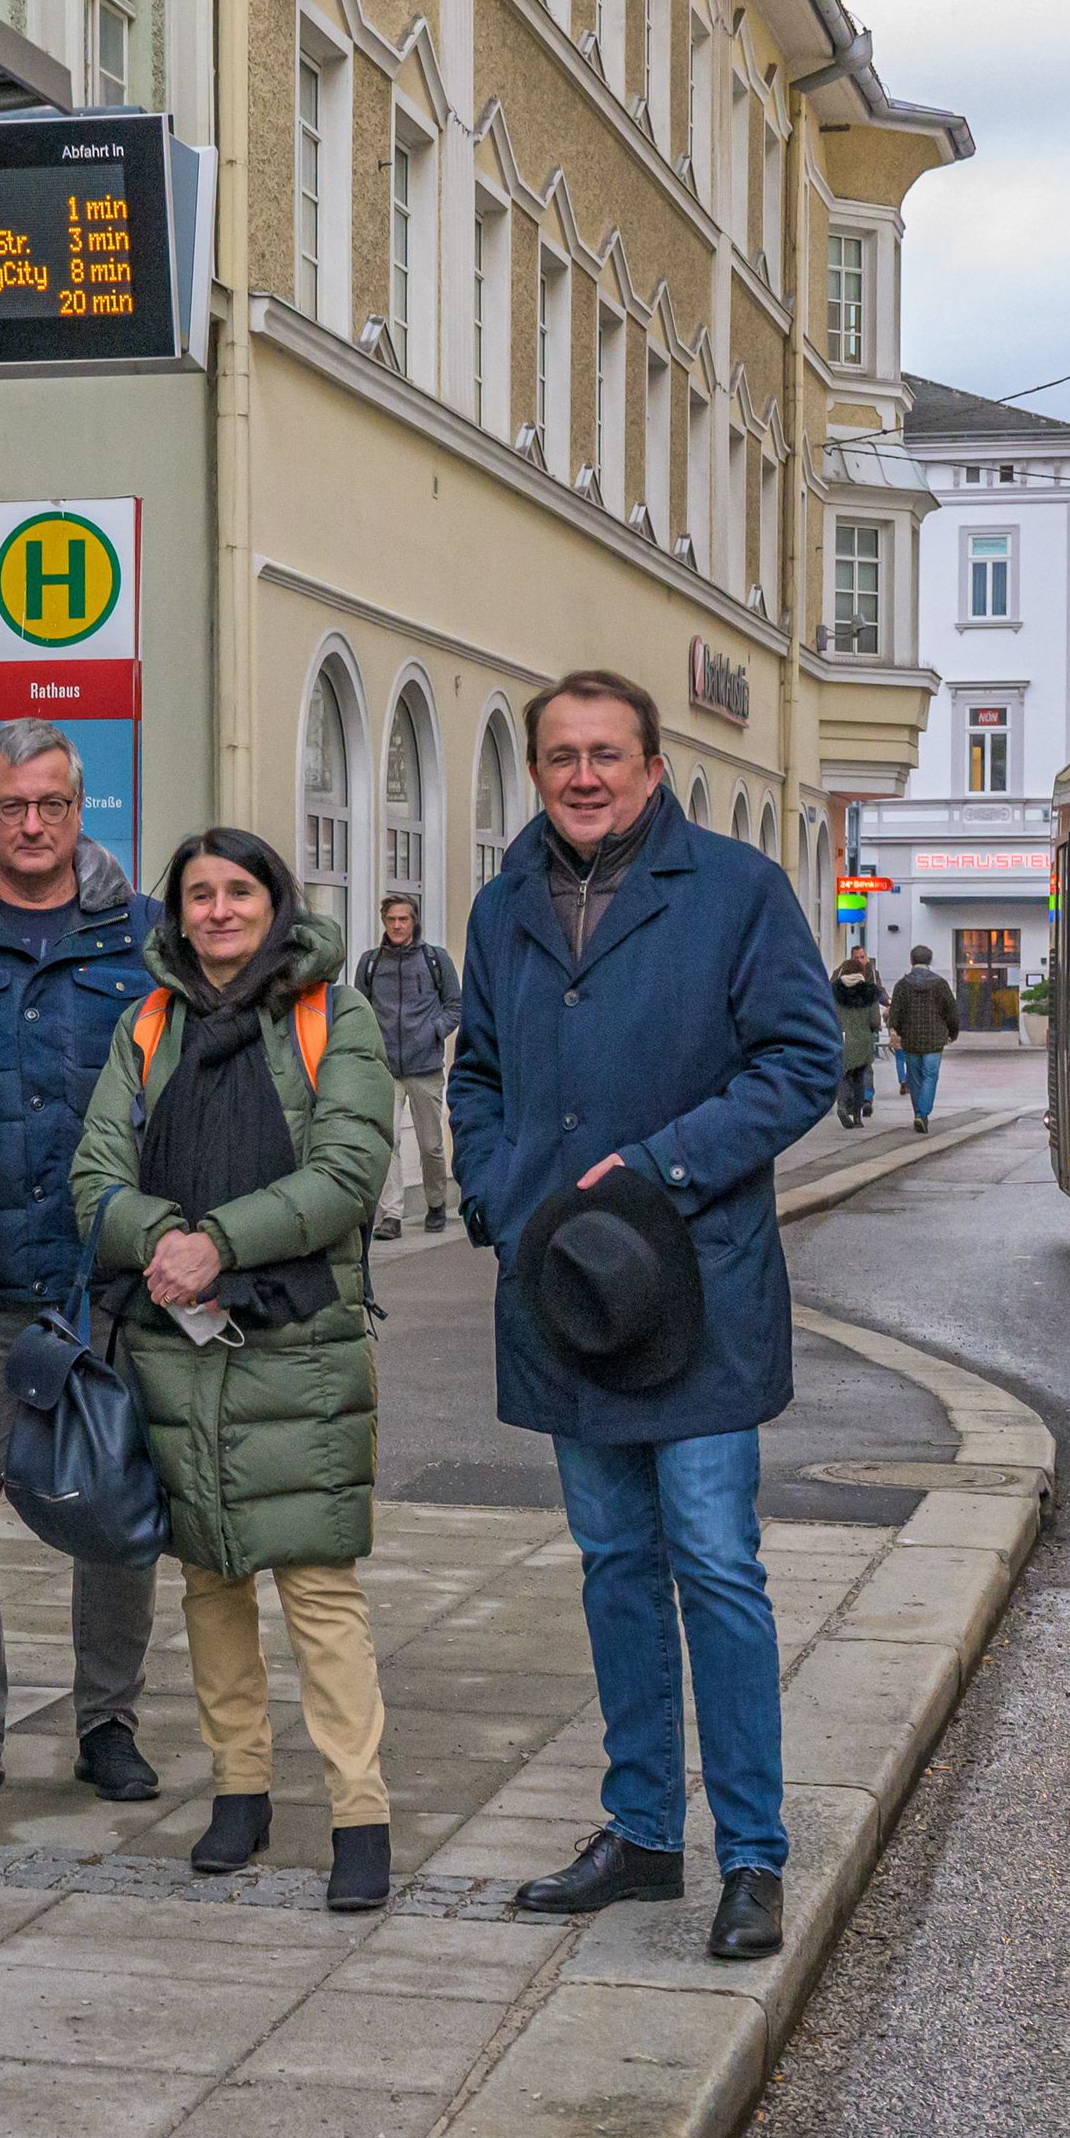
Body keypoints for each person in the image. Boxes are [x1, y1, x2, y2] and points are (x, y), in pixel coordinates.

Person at [450, 668, 839, 1963]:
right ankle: (641, 1834)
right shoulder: (505, 905)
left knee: (716, 1565)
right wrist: (498, 1193)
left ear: (653, 766)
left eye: (607, 751)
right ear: (537, 768)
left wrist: (661, 1171)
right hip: (563, 1293)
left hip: (695, 1289)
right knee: (614, 1566)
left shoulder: (735, 889)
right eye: (561, 753)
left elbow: (801, 1061)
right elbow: (480, 1074)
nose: (584, 774)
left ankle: (753, 1856)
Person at [72, 826, 399, 1911]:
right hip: (176, 1337)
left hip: (296, 1337)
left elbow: (348, 1172)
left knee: (315, 1581)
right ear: (176, 912)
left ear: (274, 901)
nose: (217, 911)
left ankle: (359, 1813)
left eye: (238, 891)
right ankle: (239, 1791)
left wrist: (216, 1241)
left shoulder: (331, 1015)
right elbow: (92, 1175)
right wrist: (165, 1237)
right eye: (198, 894)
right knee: (209, 1575)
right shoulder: (148, 1021)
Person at [0, 720, 164, 1811]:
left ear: (79, 807)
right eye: (10, 805)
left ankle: (107, 1720)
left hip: (107, 1281)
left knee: (114, 1508)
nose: (30, 825)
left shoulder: (142, 932)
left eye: (51, 805)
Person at [354, 891, 461, 1239]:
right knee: (389, 1144)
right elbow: (360, 1010)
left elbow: (455, 1005)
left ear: (414, 921)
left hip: (425, 1065)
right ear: (383, 922)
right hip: (384, 1067)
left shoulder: (434, 959)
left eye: (403, 919)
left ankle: (435, 1203)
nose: (397, 925)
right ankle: (392, 1216)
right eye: (391, 919)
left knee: (430, 1144)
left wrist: (436, 1031)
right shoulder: (371, 963)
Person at [885, 943, 961, 1130]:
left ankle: (918, 1111)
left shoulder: (902, 985)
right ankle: (923, 1112)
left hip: (910, 1039)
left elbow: (894, 1015)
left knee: (915, 1077)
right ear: (930, 960)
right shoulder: (940, 984)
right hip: (934, 1038)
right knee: (930, 1075)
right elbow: (951, 1012)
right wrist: (952, 1033)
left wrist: (899, 1030)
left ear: (912, 960)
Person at [829, 947, 884, 1127]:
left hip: (841, 1039)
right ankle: (858, 1117)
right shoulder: (869, 992)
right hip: (862, 1041)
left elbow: (829, 1015)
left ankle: (842, 1105)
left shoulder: (834, 991)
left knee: (844, 1075)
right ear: (862, 971)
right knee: (859, 1077)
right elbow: (875, 1021)